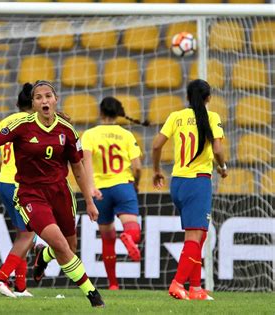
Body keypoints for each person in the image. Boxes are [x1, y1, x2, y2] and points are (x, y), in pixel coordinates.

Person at [0, 80, 105, 308]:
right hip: (30, 194)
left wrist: (89, 201)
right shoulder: (22, 125)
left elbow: (78, 169)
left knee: (68, 246)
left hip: (60, 193)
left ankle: (43, 257)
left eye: (48, 96)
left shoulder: (67, 131)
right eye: (39, 97)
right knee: (59, 243)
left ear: (55, 100)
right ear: (33, 103)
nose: (44, 100)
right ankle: (93, 295)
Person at [152, 79, 227, 301]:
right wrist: (222, 167)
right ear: (208, 98)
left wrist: (156, 170)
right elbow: (218, 150)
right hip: (198, 182)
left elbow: (156, 145)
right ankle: (177, 284)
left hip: (178, 183)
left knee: (199, 235)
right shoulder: (212, 117)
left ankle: (195, 288)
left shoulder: (176, 117)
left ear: (187, 97)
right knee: (196, 236)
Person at [82, 96, 148, 290]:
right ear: (118, 113)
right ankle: (128, 237)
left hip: (100, 190)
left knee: (107, 238)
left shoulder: (89, 135)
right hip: (122, 186)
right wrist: (135, 184)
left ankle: (113, 284)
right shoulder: (126, 135)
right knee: (132, 227)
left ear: (101, 113)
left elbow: (85, 163)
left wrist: (91, 187)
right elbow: (137, 166)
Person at [0, 83, 35, 298]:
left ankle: (21, 287)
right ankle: (1, 278)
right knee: (28, 234)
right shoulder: (32, 123)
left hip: (5, 183)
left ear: (17, 103)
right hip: (19, 185)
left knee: (20, 233)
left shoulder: (6, 121)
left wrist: (3, 169)